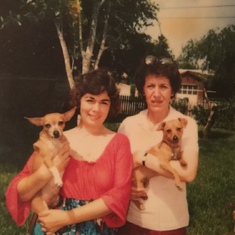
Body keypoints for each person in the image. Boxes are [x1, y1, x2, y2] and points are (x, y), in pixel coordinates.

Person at [5, 68, 133, 235]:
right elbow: (19, 192)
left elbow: (119, 197)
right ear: (78, 101)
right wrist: (46, 173)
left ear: (111, 106)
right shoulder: (55, 140)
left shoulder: (119, 143)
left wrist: (67, 218)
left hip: (95, 229)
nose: (96, 109)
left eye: (104, 102)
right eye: (90, 100)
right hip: (52, 227)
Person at [117, 55, 199, 235]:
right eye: (150, 86)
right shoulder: (128, 124)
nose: (156, 94)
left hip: (171, 222)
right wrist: (124, 191)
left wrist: (143, 160)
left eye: (163, 86)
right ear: (142, 90)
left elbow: (188, 172)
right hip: (132, 220)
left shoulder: (185, 123)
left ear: (172, 91)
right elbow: (116, 171)